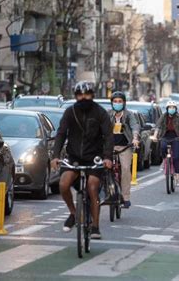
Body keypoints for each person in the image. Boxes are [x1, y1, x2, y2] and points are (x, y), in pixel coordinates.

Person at [51, 81, 113, 240]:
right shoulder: (69, 112)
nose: (83, 97)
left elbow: (108, 136)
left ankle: (95, 227)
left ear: (92, 95)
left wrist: (107, 157)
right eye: (80, 95)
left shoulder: (101, 113)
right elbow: (61, 134)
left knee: (92, 188)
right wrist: (55, 156)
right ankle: (73, 213)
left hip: (95, 158)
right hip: (74, 158)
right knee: (63, 184)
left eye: (87, 94)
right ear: (76, 96)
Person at [109, 91, 140, 208]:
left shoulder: (129, 115)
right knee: (102, 168)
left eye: (120, 101)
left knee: (126, 169)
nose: (117, 103)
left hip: (125, 147)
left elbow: (135, 126)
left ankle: (125, 197)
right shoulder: (108, 114)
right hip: (110, 147)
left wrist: (135, 138)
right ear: (112, 103)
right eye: (115, 102)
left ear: (124, 103)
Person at [154, 101, 179, 187]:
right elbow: (158, 126)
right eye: (170, 107)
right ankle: (164, 159)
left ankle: (177, 178)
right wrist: (154, 136)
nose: (171, 109)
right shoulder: (163, 116)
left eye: (173, 108)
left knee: (176, 157)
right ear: (167, 109)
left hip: (176, 137)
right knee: (163, 147)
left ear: (175, 109)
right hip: (165, 136)